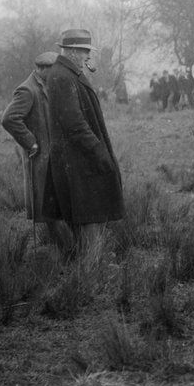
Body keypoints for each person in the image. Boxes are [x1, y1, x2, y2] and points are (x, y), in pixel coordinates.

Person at [43, 29, 126, 258]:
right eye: (84, 52)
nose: (87, 57)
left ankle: (90, 261)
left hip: (79, 155)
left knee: (90, 209)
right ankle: (90, 266)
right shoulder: (62, 76)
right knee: (87, 210)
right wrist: (97, 149)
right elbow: (73, 122)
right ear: (71, 51)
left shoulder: (69, 73)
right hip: (76, 157)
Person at [0, 51, 71, 251]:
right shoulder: (27, 90)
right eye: (53, 70)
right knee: (46, 208)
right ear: (42, 69)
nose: (57, 74)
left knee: (55, 206)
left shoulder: (45, 85)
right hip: (40, 158)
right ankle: (67, 253)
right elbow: (9, 119)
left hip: (53, 156)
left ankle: (67, 251)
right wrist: (31, 142)